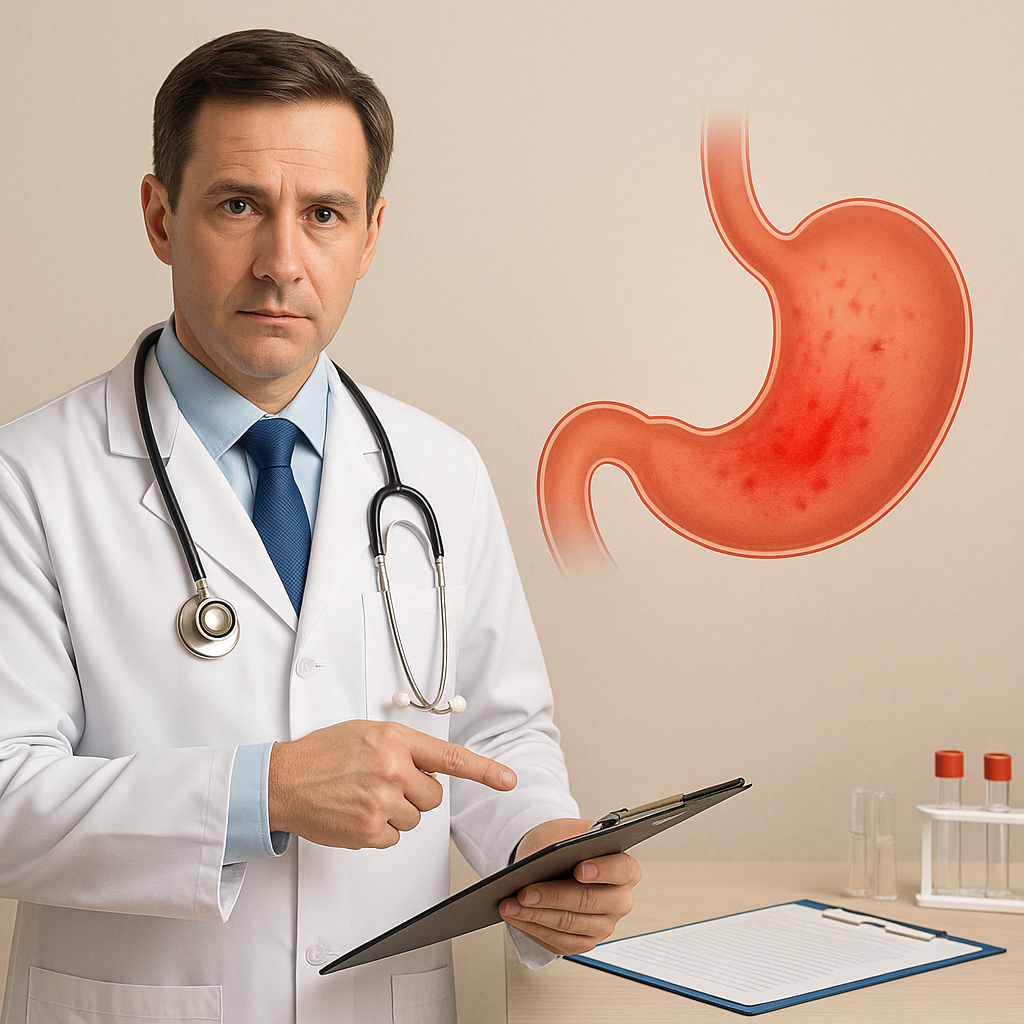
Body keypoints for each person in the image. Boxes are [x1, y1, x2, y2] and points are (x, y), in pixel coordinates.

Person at [0, 28, 640, 1024]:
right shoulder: (29, 478)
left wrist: (540, 847)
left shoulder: (440, 470)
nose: (281, 262)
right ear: (160, 216)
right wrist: (262, 793)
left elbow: (493, 732)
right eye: (239, 204)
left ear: (370, 236)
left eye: (325, 213)